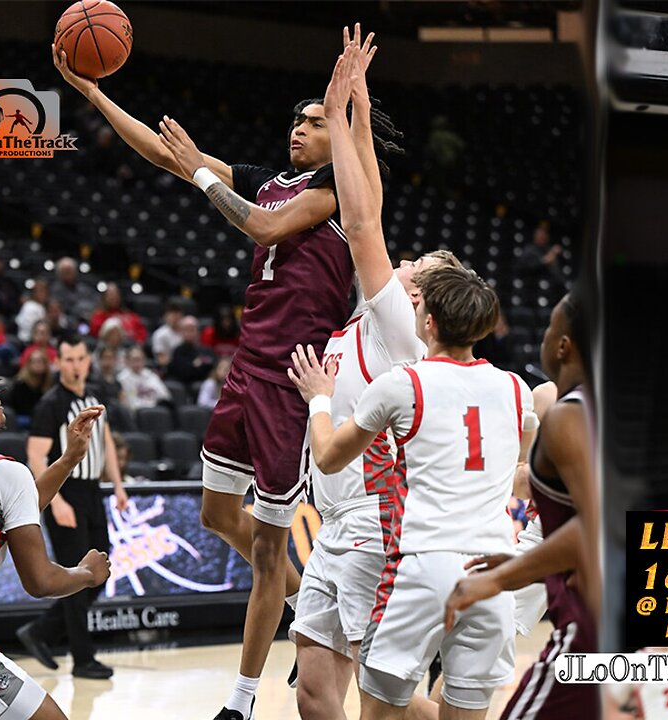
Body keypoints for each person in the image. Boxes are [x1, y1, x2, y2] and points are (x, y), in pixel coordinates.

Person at [53, 28, 406, 718]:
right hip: (246, 368)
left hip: (291, 381)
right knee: (218, 514)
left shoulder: (340, 189)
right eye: (295, 122)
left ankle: (240, 700)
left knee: (268, 547)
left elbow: (264, 228)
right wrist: (95, 94)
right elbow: (167, 155)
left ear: (336, 135)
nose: (296, 131)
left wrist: (206, 172)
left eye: (311, 122)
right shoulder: (274, 178)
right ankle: (305, 591)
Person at [284, 32, 455, 719]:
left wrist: (343, 107)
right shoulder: (372, 317)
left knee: (386, 695)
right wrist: (355, 106)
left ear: (423, 296)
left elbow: (362, 223)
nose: (403, 262)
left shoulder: (403, 327)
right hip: (335, 523)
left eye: (418, 266)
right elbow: (372, 208)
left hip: (372, 523)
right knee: (315, 689)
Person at [290, 261, 535, 720]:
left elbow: (326, 456)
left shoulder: (404, 382)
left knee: (380, 711)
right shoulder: (516, 389)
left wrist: (319, 398)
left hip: (423, 562)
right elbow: (525, 461)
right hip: (494, 569)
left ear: (429, 320)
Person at [0, 333, 111, 720]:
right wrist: (86, 574)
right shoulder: (2, 471)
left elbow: (15, 506)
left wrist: (68, 459)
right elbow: (40, 581)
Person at [444, 292, 600, 719]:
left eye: (549, 328)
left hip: (589, 609)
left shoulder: (569, 413)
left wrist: (502, 577)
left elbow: (593, 527)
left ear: (563, 345)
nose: (543, 338)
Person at [18, 336, 129, 680]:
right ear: (59, 363)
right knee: (79, 573)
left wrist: (119, 485)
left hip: (93, 491)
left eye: (81, 358)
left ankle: (42, 631)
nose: (76, 365)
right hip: (64, 492)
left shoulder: (96, 397)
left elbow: (105, 441)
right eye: (68, 359)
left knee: (100, 566)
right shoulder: (50, 404)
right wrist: (58, 501)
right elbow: (36, 457)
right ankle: (83, 659)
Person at [9, 348, 56, 429]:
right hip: (24, 417)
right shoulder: (20, 383)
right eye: (34, 361)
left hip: (42, 417)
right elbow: (19, 408)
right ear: (28, 364)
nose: (37, 364)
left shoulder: (50, 382)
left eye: (40, 361)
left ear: (46, 364)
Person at [169, 316, 218, 384]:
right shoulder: (178, 351)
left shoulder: (206, 349)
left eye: (192, 330)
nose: (189, 333)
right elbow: (185, 373)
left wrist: (195, 365)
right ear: (181, 332)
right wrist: (200, 364)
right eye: (186, 330)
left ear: (198, 332)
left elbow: (213, 366)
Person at [50, 257, 95, 328]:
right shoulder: (55, 290)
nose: (68, 274)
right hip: (64, 324)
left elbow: (92, 305)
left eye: (70, 271)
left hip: (84, 321)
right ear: (60, 274)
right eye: (65, 272)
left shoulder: (84, 289)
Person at [15, 279, 52, 344]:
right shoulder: (30, 306)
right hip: (28, 341)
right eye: (40, 291)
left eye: (45, 291)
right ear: (34, 293)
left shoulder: (42, 306)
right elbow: (28, 328)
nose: (43, 294)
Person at [151, 300, 186, 368]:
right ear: (166, 316)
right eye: (172, 314)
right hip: (169, 368)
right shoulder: (160, 334)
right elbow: (162, 360)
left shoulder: (186, 332)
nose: (175, 317)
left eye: (177, 314)